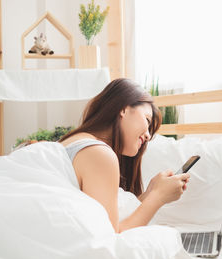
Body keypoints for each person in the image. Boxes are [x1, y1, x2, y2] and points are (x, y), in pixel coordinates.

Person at [58, 78, 190, 233]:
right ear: (123, 109)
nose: (148, 136)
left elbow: (110, 216)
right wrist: (159, 197)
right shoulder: (99, 153)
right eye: (147, 121)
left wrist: (149, 194)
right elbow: (110, 237)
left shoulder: (76, 141)